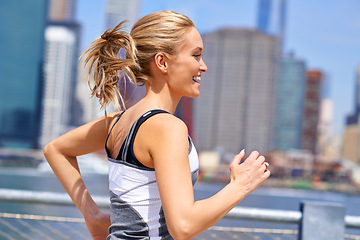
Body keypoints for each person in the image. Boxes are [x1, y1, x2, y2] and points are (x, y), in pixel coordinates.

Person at [43, 10, 270, 240]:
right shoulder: (167, 127)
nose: (204, 67)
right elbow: (183, 226)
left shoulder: (118, 122)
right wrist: (239, 185)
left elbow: (56, 150)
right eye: (196, 55)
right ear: (162, 62)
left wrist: (92, 216)